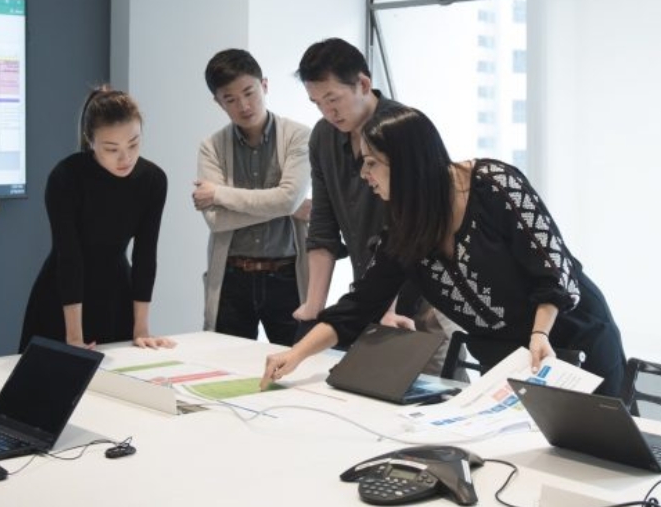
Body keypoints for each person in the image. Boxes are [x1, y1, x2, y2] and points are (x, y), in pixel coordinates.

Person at [261, 106, 627, 396]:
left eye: (371, 163)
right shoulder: (405, 227)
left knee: (600, 452)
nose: (364, 174)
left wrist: (540, 335)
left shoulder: (495, 185)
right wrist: (295, 354)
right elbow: (359, 305)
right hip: (506, 358)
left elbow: (553, 271)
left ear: (406, 163)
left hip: (571, 339)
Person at [293, 38, 457, 371]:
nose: (327, 112)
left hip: (425, 294)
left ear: (364, 84)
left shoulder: (403, 128)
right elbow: (323, 226)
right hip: (372, 293)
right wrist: (313, 307)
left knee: (438, 388)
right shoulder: (323, 137)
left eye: (332, 99)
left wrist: (387, 305)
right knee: (372, 388)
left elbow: (415, 222)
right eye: (317, 103)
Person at [20, 85, 176, 351]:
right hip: (62, 298)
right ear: (90, 141)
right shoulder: (66, 177)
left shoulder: (153, 180)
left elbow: (145, 255)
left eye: (134, 143)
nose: (126, 158)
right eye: (111, 149)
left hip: (116, 295)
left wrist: (141, 329)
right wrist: (74, 338)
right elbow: (69, 257)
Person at [193, 49, 312, 346]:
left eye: (249, 92)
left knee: (297, 363)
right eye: (230, 99)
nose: (244, 106)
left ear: (265, 85)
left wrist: (219, 193)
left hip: (287, 276)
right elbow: (216, 220)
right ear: (218, 102)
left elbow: (288, 199)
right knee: (225, 364)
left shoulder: (298, 136)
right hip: (232, 276)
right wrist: (287, 206)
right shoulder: (212, 146)